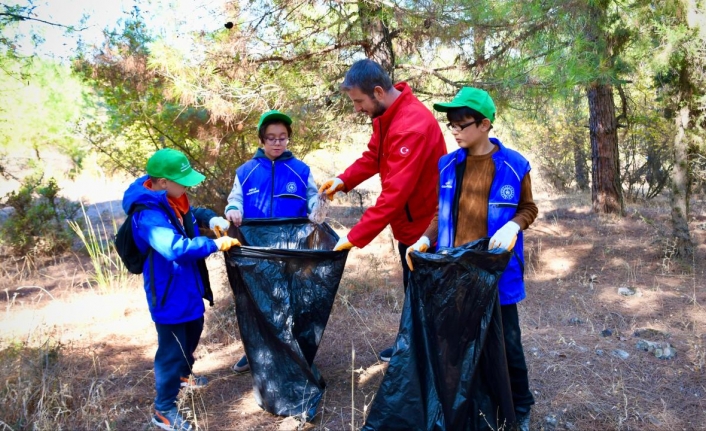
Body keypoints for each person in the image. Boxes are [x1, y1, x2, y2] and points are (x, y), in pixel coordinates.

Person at [404, 87, 538, 431]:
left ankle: (520, 404)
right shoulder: (447, 165)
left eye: (462, 125)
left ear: (485, 124)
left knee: (507, 340)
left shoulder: (514, 165)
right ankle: (468, 399)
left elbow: (528, 207)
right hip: (454, 271)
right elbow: (440, 213)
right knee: (457, 339)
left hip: (496, 272)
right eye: (451, 125)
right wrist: (425, 238)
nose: (455, 132)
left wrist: (514, 225)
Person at [319, 59, 447, 362]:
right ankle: (412, 350)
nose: (357, 109)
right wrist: (342, 180)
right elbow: (374, 156)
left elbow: (393, 195)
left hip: (426, 228)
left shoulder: (412, 125)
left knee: (426, 294)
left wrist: (354, 236)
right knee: (413, 291)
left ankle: (430, 363)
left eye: (359, 101)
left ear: (377, 91)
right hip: (407, 224)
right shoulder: (387, 115)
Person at [122, 148, 240, 431]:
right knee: (171, 350)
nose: (188, 185)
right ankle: (163, 410)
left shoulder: (170, 197)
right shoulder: (148, 215)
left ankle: (184, 376)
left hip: (187, 286)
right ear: (162, 181)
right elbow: (175, 247)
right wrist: (214, 244)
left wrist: (211, 219)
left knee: (193, 330)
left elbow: (188, 214)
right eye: (183, 180)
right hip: (167, 292)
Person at [224, 109, 319, 374]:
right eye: (271, 138)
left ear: (288, 139)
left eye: (282, 137)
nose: (277, 143)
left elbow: (312, 197)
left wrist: (316, 207)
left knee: (294, 299)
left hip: (293, 249)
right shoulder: (246, 171)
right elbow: (235, 199)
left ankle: (296, 353)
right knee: (259, 302)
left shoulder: (300, 170)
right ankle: (255, 351)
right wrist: (232, 209)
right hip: (257, 250)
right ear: (262, 140)